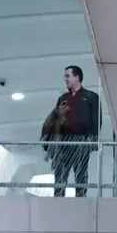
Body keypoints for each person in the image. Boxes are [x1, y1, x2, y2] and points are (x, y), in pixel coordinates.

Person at [40, 64, 102, 197]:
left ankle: (81, 200)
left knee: (80, 173)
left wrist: (91, 139)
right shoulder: (62, 98)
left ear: (77, 77)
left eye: (67, 76)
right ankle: (58, 200)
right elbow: (55, 118)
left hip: (81, 141)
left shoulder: (91, 97)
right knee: (60, 173)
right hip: (62, 142)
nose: (65, 79)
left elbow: (97, 119)